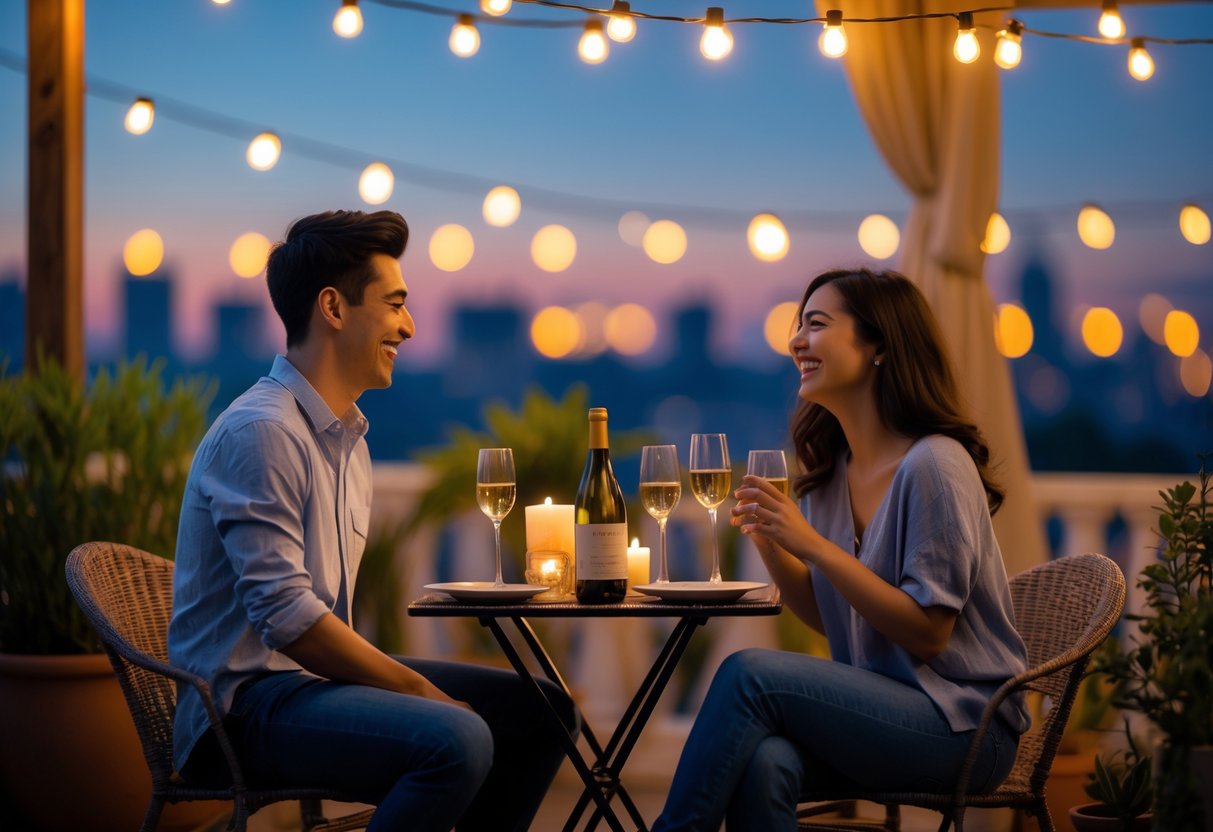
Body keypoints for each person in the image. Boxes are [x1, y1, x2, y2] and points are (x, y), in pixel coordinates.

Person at [168, 209, 576, 832]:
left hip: (305, 688)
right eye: (394, 305)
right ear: (333, 309)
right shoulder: (263, 432)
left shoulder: (346, 442)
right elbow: (287, 619)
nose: (409, 327)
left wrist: (404, 686)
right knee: (456, 740)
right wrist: (413, 689)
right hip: (242, 710)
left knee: (541, 713)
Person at [653, 268, 1031, 832]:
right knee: (765, 762)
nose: (797, 341)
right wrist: (771, 541)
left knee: (748, 673)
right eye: (798, 326)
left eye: (817, 324)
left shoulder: (935, 465)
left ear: (879, 345)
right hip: (882, 709)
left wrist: (812, 546)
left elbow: (930, 631)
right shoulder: (832, 472)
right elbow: (830, 617)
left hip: (965, 727)